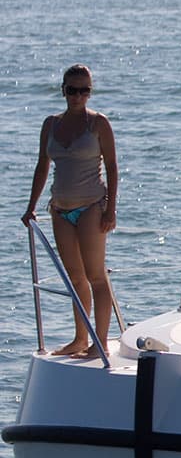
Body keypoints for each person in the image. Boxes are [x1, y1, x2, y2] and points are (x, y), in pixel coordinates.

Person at [21, 65, 119, 359]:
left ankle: (98, 342)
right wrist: (31, 207)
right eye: (73, 90)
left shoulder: (98, 123)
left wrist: (110, 210)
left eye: (85, 90)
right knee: (74, 277)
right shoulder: (50, 124)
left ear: (90, 92)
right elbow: (43, 166)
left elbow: (113, 167)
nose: (78, 96)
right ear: (63, 90)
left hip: (91, 206)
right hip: (60, 209)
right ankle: (79, 338)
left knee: (95, 276)